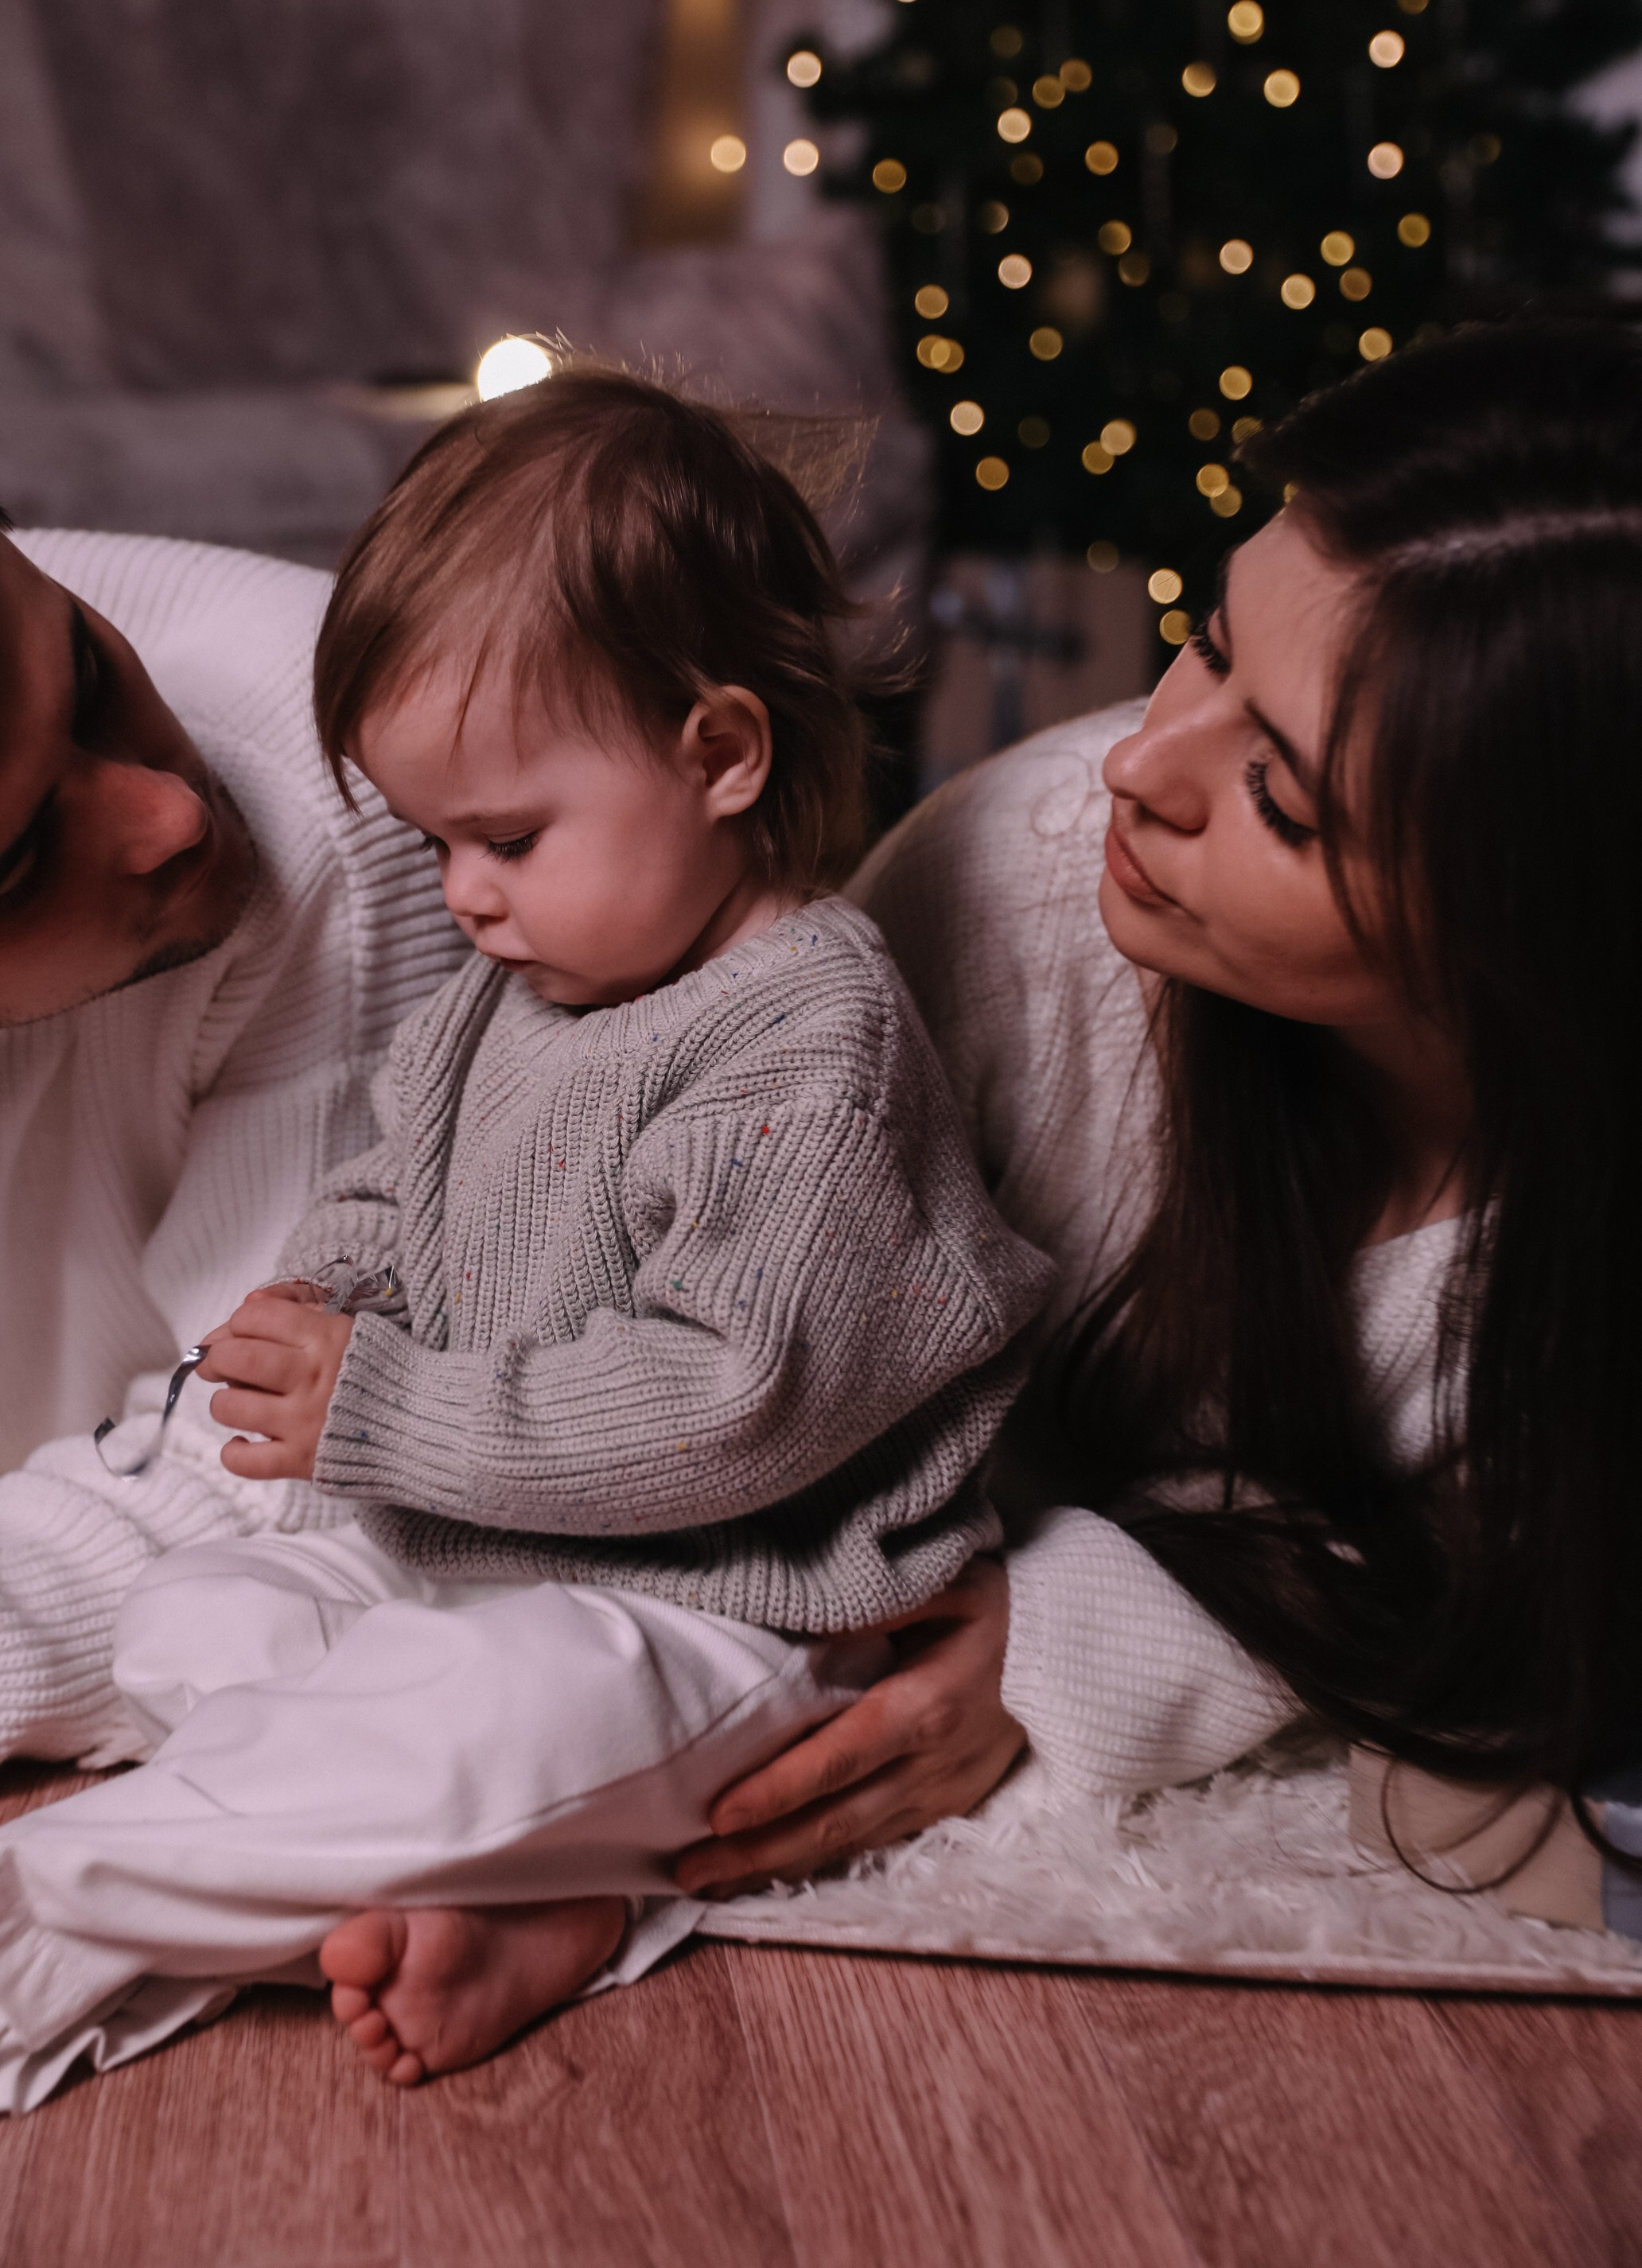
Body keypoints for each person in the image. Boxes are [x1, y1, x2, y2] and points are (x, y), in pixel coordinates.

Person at [0, 370, 1053, 2117]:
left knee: (514, 1719)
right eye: (27, 857)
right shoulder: (536, 961)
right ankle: (489, 1874)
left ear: (719, 755)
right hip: (473, 1537)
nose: (460, 893)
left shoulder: (799, 1038)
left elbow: (732, 1408)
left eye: (496, 841)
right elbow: (388, 1194)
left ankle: (15, 1919)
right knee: (206, 1626)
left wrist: (373, 1405)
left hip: (740, 1592)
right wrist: (322, 1300)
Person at [683, 314, 1642, 1910]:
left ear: (1533, 933)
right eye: (1204, 637)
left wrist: (1076, 1651)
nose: (1142, 762)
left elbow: (1467, 1582)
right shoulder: (1007, 886)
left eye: (1279, 797)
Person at [0, 412, 463, 1795]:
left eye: (84, 667)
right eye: (19, 870)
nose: (169, 815)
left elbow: (268, 1488)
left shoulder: (370, 793)